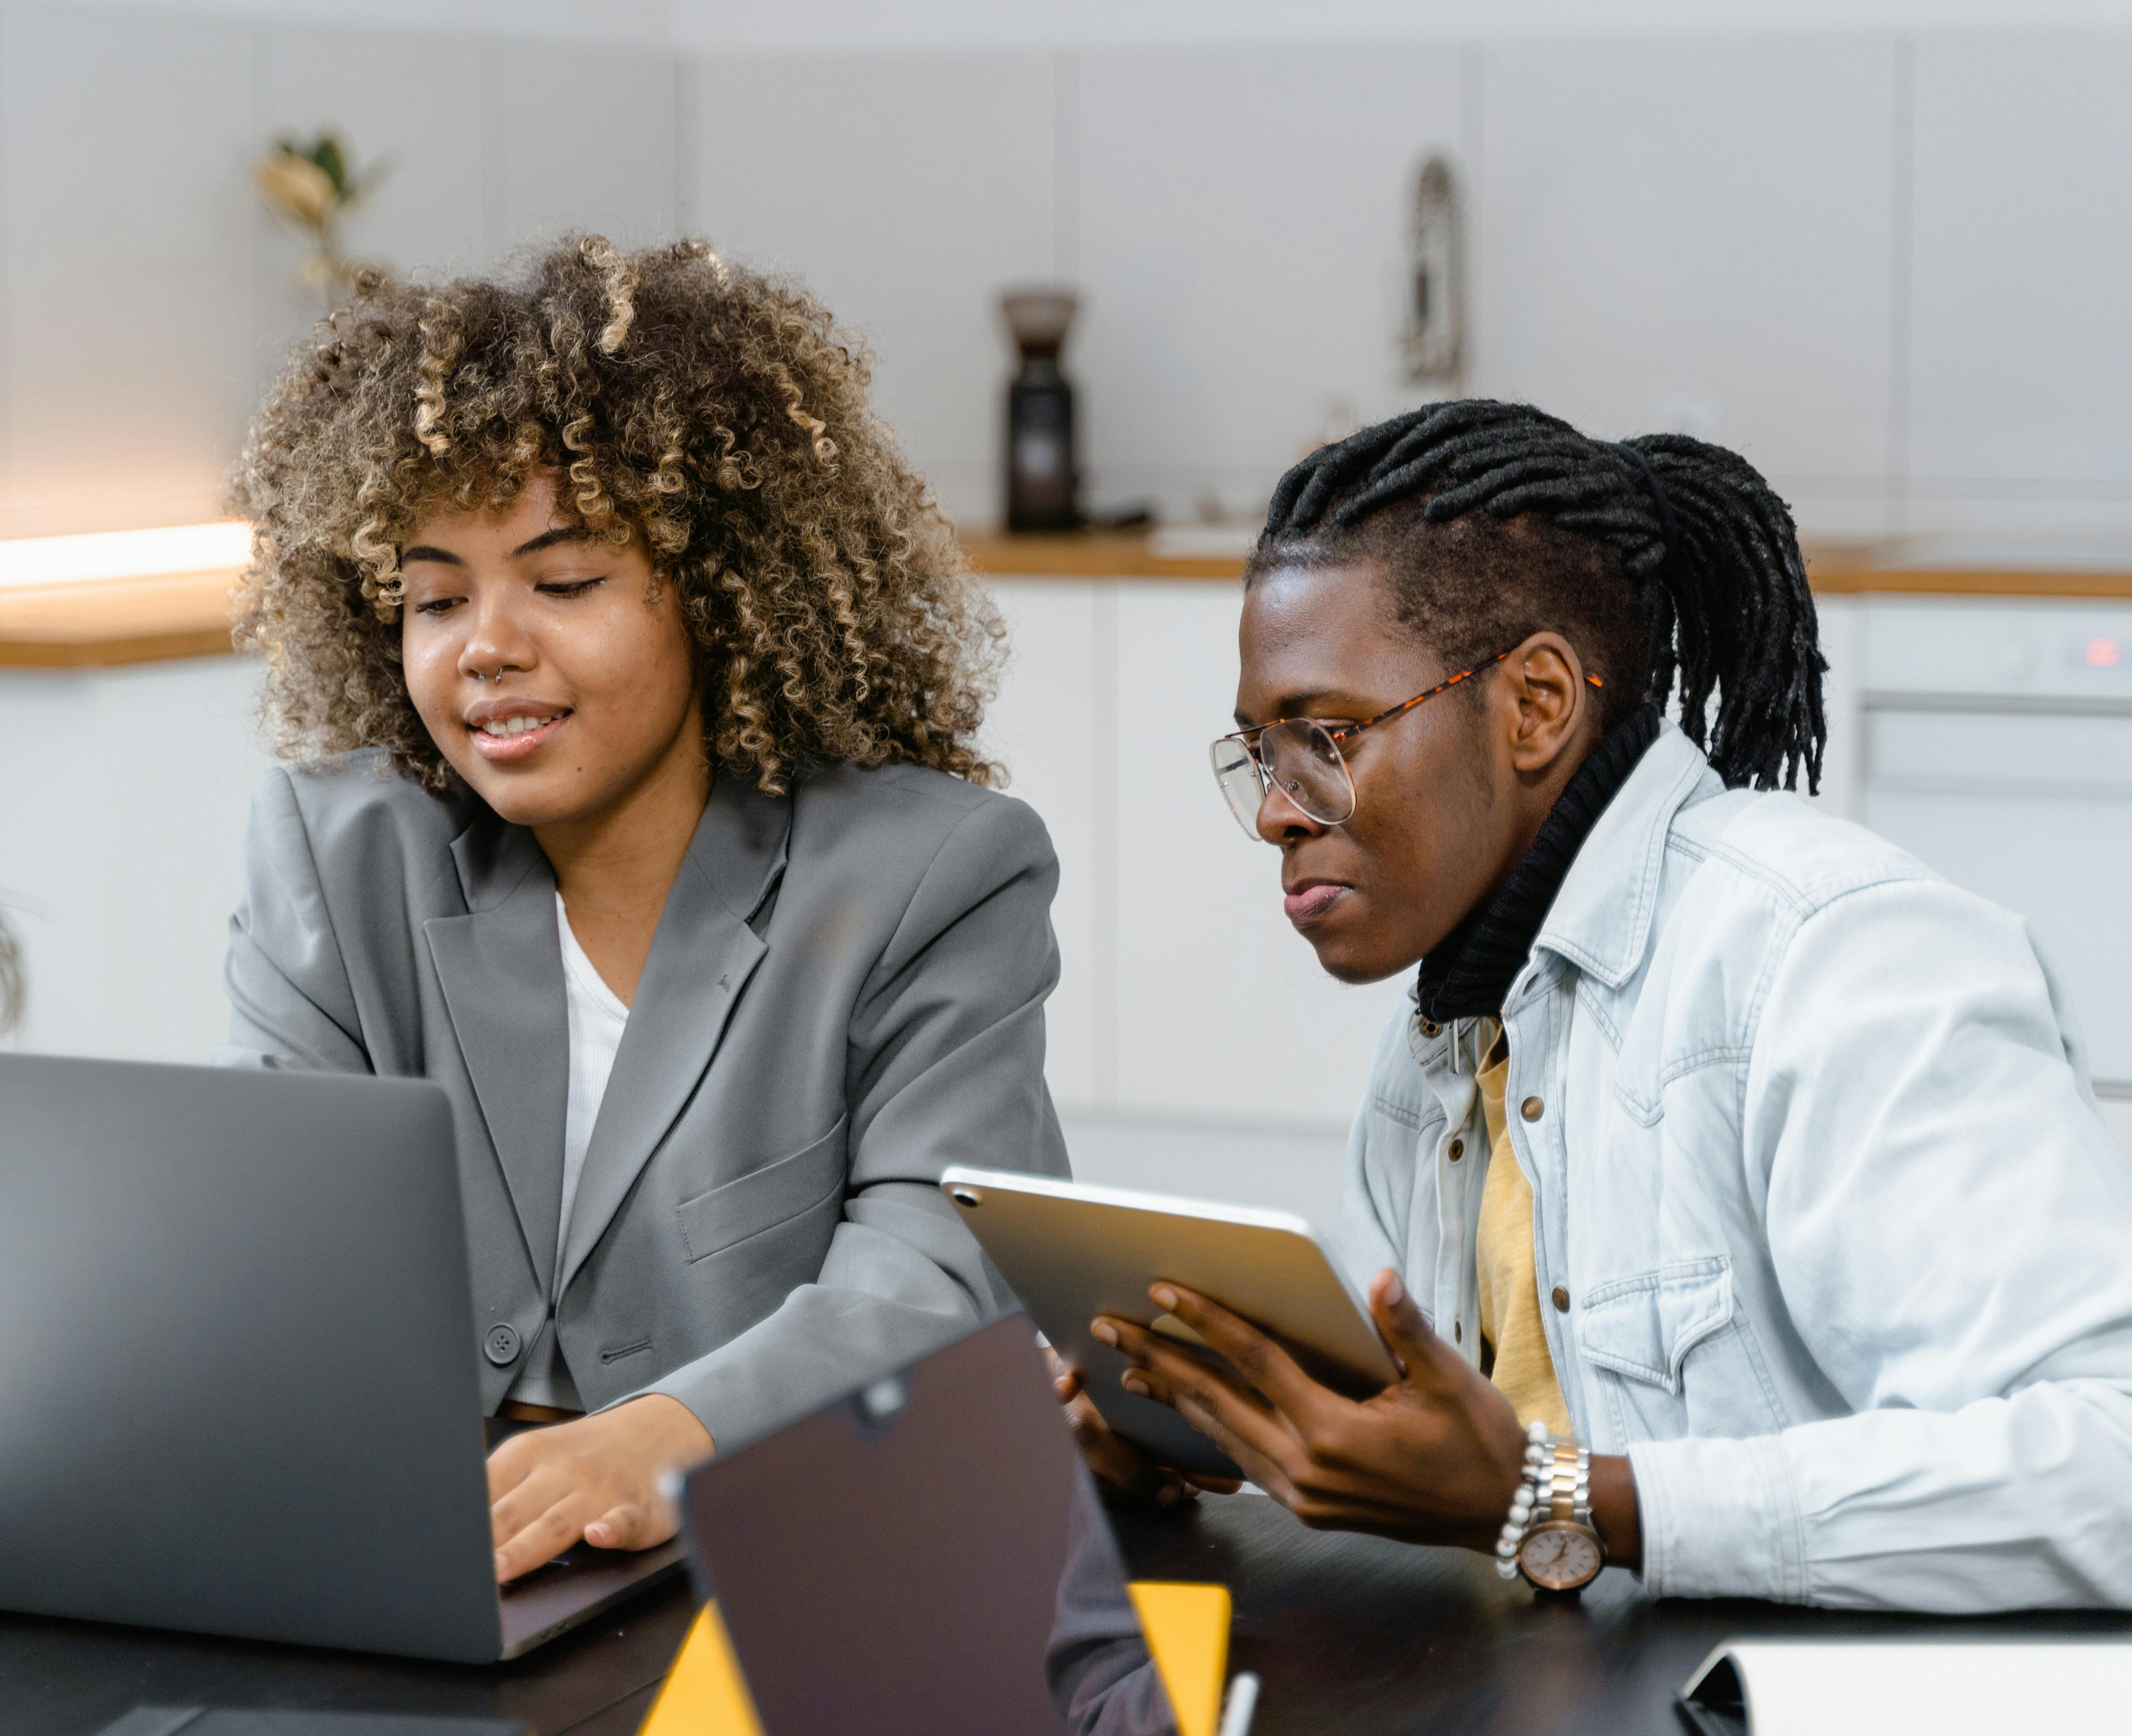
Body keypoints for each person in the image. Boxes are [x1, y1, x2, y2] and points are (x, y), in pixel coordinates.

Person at [1076, 399, 2132, 1609]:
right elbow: (1452, 1488)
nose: (1276, 807)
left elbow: (2111, 1462)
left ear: (1533, 705)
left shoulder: (1827, 954)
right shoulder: (1438, 1048)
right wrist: (1213, 1445)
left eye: (1327, 734)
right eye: (1260, 753)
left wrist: (1568, 1498)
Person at [221, 235, 1067, 1582]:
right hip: (433, 1565)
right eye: (435, 595)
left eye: (563, 582)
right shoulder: (338, 855)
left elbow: (935, 1278)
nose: (487, 645)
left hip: (798, 1565)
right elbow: (266, 1252)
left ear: (720, 594)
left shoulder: (933, 875)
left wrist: (658, 1438)